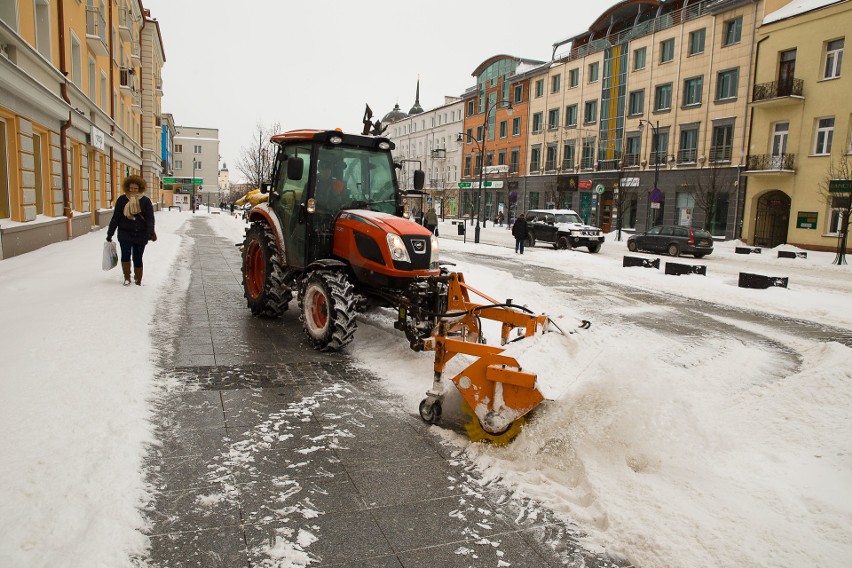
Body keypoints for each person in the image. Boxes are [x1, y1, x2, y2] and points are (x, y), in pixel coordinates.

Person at [106, 175, 156, 286]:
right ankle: (127, 277)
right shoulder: (122, 200)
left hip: (140, 233)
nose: (133, 190)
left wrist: (149, 232)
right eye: (131, 188)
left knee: (138, 257)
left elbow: (150, 219)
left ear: (140, 189)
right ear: (127, 188)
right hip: (125, 233)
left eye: (135, 188)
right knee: (125, 255)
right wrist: (110, 233)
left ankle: (138, 279)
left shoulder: (145, 201)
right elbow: (116, 217)